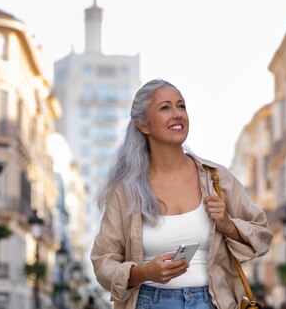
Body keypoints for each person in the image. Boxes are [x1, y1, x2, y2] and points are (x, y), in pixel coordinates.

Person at [91, 79, 273, 309]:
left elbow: (262, 234)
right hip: (149, 302)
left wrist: (228, 225)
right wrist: (144, 272)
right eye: (165, 108)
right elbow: (102, 261)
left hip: (211, 302)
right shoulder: (126, 190)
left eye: (181, 106)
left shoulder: (216, 178)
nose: (177, 114)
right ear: (143, 125)